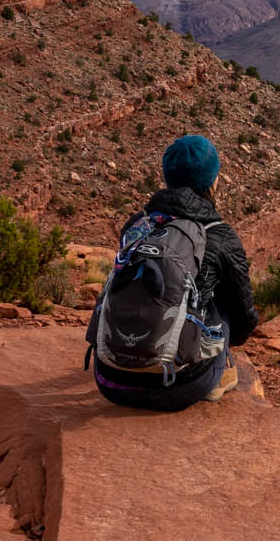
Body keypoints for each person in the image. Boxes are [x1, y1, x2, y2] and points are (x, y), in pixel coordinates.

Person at [89, 134, 260, 411]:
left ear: (167, 176)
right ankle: (218, 372)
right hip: (179, 386)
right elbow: (243, 319)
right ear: (212, 180)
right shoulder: (219, 234)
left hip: (109, 379)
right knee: (223, 305)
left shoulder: (138, 224)